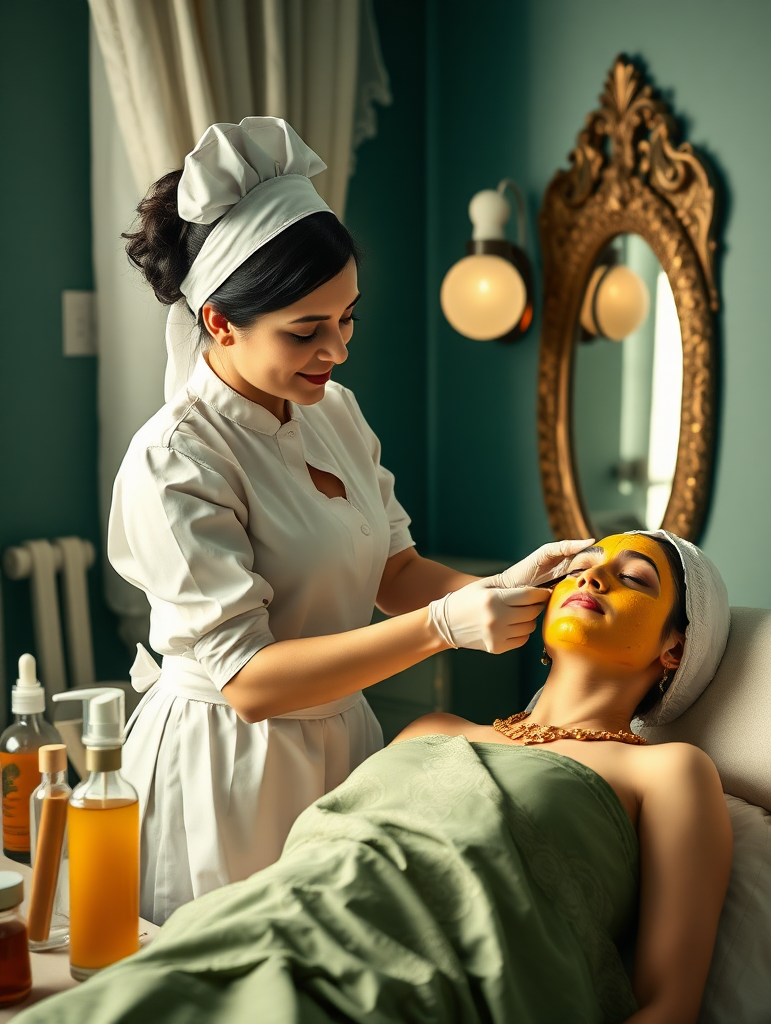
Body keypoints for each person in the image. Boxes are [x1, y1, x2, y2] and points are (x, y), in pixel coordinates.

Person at [109, 116, 590, 924]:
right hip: (232, 765)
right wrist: (446, 626)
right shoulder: (178, 459)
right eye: (305, 331)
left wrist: (500, 592)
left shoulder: (333, 411)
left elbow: (394, 571)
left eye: (348, 317)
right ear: (220, 323)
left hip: (346, 739)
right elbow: (252, 682)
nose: (337, 350)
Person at [22, 531, 733, 1024]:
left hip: (416, 986)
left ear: (675, 649)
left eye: (634, 578)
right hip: (263, 924)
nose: (593, 575)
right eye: (583, 565)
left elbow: (669, 1002)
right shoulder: (434, 729)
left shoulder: (669, 771)